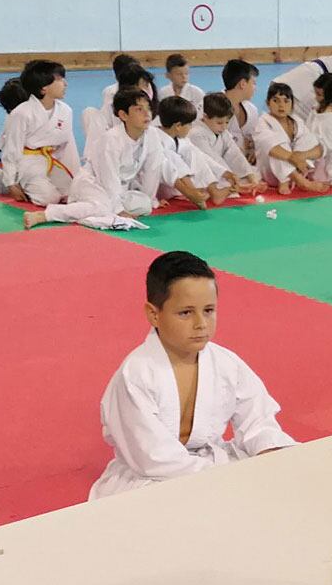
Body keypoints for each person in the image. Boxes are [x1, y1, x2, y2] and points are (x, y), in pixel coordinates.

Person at [89, 250, 293, 499]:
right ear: (154, 314)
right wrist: (232, 474)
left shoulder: (226, 363)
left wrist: (271, 453)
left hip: (212, 462)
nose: (201, 323)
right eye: (186, 312)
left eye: (208, 310)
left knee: (288, 473)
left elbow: (258, 421)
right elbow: (154, 459)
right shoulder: (136, 375)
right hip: (151, 479)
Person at [27, 87, 156, 229]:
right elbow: (109, 177)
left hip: (119, 189)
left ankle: (89, 211)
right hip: (92, 183)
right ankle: (45, 215)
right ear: (123, 115)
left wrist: (151, 198)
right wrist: (119, 210)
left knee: (145, 205)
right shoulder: (111, 139)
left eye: (148, 108)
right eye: (139, 109)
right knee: (103, 207)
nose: (147, 114)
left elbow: (153, 170)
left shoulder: (152, 135)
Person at [0, 59, 78, 204]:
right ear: (43, 88)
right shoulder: (22, 113)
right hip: (28, 163)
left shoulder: (66, 111)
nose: (65, 84)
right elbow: (11, 150)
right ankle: (9, 180)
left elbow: (66, 146)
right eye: (60, 80)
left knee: (74, 195)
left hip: (53, 159)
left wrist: (75, 173)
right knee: (50, 199)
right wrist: (11, 184)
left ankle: (2, 178)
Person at [143, 94, 234, 207]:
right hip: (152, 190)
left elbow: (203, 157)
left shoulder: (181, 139)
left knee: (195, 153)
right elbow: (167, 170)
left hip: (174, 188)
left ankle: (213, 189)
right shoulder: (155, 138)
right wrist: (190, 192)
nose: (191, 127)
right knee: (171, 156)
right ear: (178, 126)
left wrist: (224, 172)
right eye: (189, 124)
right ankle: (194, 193)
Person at [249, 81, 324, 193]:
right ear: (267, 103)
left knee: (309, 139)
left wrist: (301, 156)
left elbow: (319, 149)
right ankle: (301, 182)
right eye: (276, 101)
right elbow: (272, 148)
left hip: (298, 166)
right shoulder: (263, 122)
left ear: (292, 105)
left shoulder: (297, 122)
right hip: (271, 174)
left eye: (286, 101)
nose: (281, 105)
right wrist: (293, 158)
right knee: (276, 145)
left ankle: (293, 179)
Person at [192, 92, 259, 191]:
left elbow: (234, 153)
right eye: (219, 122)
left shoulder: (221, 131)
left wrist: (251, 177)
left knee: (254, 175)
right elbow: (213, 161)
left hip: (221, 173)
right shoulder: (195, 134)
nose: (224, 127)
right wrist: (233, 180)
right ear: (205, 116)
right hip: (201, 178)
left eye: (227, 122)